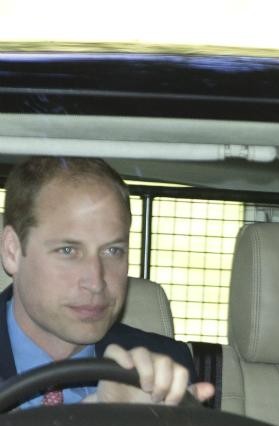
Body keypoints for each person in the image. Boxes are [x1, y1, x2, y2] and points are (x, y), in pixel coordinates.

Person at [0, 155, 214, 407]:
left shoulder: (163, 370)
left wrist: (142, 425)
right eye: (68, 250)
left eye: (113, 251)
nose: (96, 281)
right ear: (12, 251)